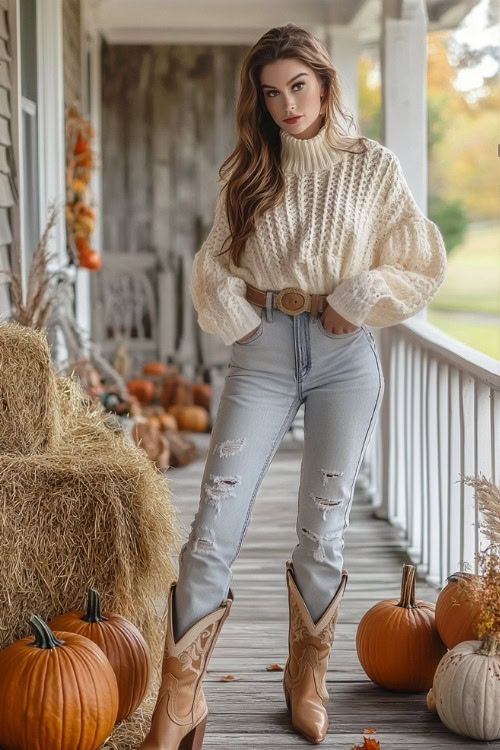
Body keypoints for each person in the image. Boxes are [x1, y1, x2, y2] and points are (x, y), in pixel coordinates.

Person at [139, 22, 447, 750]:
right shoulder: (248, 168)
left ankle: (305, 680)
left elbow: (421, 263)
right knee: (215, 518)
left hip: (345, 353)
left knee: (325, 522)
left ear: (324, 81)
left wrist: (361, 292)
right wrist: (239, 321)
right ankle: (179, 700)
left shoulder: (372, 166)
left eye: (297, 87)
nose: (286, 105)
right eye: (271, 93)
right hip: (264, 350)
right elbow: (212, 264)